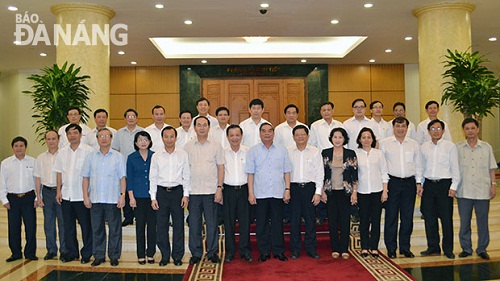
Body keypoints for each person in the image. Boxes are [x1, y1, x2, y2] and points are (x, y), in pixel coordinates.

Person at [246, 123, 292, 262]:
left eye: (269, 131)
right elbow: (250, 174)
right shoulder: (253, 151)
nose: (267, 134)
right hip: (260, 193)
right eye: (264, 131)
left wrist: (287, 189)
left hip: (278, 192)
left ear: (273, 133)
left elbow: (287, 171)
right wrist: (250, 193)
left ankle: (279, 251)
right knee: (261, 224)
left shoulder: (282, 150)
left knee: (278, 223)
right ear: (260, 134)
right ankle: (264, 252)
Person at [82, 128, 126, 267]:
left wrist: (122, 195)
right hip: (95, 199)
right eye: (101, 136)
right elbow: (85, 178)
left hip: (112, 198)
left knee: (115, 229)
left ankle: (114, 256)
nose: (104, 138)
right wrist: (85, 196)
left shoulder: (118, 156)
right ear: (97, 139)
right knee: (97, 229)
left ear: (111, 138)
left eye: (107, 136)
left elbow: (122, 178)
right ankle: (99, 255)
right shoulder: (91, 156)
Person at [379, 117, 422, 259]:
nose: (400, 129)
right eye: (398, 126)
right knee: (391, 217)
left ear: (407, 128)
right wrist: (384, 186)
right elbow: (382, 167)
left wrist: (418, 183)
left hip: (409, 184)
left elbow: (418, 165)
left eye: (403, 126)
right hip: (392, 183)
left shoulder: (414, 144)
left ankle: (405, 247)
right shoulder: (385, 144)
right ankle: (391, 248)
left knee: (407, 217)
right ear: (393, 127)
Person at [184, 116, 225, 264]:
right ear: (194, 128)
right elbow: (184, 170)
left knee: (212, 223)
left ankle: (212, 252)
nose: (202, 127)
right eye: (199, 125)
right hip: (193, 191)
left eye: (204, 125)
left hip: (211, 191)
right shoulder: (187, 146)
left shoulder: (216, 145)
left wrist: (219, 188)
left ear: (209, 127)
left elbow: (221, 167)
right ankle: (196, 252)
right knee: (194, 224)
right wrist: (185, 192)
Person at [456, 118, 497, 260]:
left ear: (478, 129)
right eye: (467, 128)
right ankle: (466, 248)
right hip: (464, 191)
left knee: (482, 222)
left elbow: (492, 168)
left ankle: (482, 249)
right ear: (464, 131)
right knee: (464, 222)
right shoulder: (458, 148)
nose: (470, 131)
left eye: (473, 128)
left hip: (482, 190)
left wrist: (493, 185)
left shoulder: (486, 147)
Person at [150, 126, 190, 266]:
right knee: (161, 226)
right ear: (162, 138)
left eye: (171, 136)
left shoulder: (183, 154)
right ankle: (165, 256)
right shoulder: (156, 155)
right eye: (166, 136)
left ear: (175, 137)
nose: (169, 139)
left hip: (177, 193)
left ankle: (177, 256)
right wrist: (153, 198)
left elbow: (186, 176)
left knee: (179, 225)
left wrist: (186, 195)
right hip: (161, 193)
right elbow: (153, 177)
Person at [420, 119, 460, 259]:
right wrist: (420, 183)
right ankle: (433, 247)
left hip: (445, 185)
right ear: (428, 131)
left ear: (443, 131)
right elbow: (421, 167)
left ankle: (448, 249)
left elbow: (455, 168)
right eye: (433, 129)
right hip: (429, 185)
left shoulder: (450, 146)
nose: (435, 131)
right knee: (429, 218)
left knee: (446, 218)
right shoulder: (424, 146)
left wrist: (454, 186)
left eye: (438, 129)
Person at [54, 124, 94, 264]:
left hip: (82, 196)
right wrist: (58, 191)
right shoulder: (62, 152)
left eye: (75, 133)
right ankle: (72, 253)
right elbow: (59, 172)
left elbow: (92, 174)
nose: (72, 135)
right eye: (69, 133)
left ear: (80, 134)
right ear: (66, 136)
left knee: (86, 226)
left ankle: (87, 253)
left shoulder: (89, 151)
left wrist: (88, 194)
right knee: (68, 226)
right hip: (66, 195)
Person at [287, 125, 324, 259]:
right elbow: (284, 173)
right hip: (293, 188)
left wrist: (318, 192)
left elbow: (320, 173)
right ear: (293, 137)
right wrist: (286, 190)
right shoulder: (288, 151)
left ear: (308, 136)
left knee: (310, 220)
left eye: (303, 134)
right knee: (294, 220)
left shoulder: (315, 151)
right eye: (297, 135)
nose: (300, 137)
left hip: (310, 188)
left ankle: (310, 248)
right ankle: (295, 249)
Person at [321, 127, 358, 260]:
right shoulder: (325, 153)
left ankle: (344, 248)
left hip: (345, 192)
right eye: (335, 137)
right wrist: (322, 192)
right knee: (332, 221)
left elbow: (354, 174)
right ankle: (335, 248)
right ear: (331, 138)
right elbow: (321, 174)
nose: (337, 139)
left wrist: (354, 192)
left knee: (344, 221)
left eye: (340, 137)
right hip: (330, 192)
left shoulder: (350, 153)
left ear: (344, 139)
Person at [0, 136, 38, 262]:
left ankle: (30, 253)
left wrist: (37, 197)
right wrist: (4, 200)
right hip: (13, 199)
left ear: (26, 147)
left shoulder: (33, 162)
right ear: (13, 148)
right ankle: (15, 253)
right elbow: (2, 182)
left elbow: (37, 181)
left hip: (28, 197)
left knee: (31, 227)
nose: (19, 148)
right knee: (14, 227)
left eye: (21, 146)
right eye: (16, 146)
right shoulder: (6, 163)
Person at [354, 127, 388, 259]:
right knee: (363, 221)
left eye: (369, 137)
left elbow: (384, 173)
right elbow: (355, 175)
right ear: (359, 139)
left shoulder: (378, 153)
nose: (366, 140)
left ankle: (374, 247)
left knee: (375, 220)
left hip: (377, 191)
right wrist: (355, 192)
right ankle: (364, 247)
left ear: (373, 139)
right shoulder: (355, 154)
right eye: (364, 137)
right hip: (362, 191)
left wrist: (385, 191)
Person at [309, 101, 344, 225]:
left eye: (328, 109)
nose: (326, 112)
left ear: (333, 111)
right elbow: (312, 143)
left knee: (337, 185)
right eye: (323, 110)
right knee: (323, 184)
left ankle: (338, 214)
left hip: (338, 158)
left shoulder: (340, 124)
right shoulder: (315, 125)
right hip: (322, 159)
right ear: (320, 112)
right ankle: (322, 214)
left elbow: (344, 141)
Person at [34, 130, 67, 260]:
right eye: (48, 139)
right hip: (46, 192)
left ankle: (64, 250)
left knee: (63, 222)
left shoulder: (64, 155)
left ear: (58, 140)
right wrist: (38, 196)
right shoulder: (41, 157)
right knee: (48, 222)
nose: (51, 141)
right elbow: (37, 178)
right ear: (45, 141)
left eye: (54, 139)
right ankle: (51, 250)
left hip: (61, 192)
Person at [222, 124, 253, 262]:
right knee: (228, 223)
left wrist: (251, 192)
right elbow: (220, 173)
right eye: (231, 135)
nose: (234, 138)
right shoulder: (222, 152)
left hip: (244, 190)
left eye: (237, 135)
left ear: (241, 136)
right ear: (227, 137)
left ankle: (245, 250)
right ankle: (230, 251)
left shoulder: (248, 152)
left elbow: (252, 173)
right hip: (228, 190)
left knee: (244, 222)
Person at [126, 131, 157, 265]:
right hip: (137, 197)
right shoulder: (131, 157)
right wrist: (131, 198)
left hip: (152, 197)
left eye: (146, 139)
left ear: (150, 141)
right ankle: (140, 254)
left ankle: (150, 253)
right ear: (135, 143)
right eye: (140, 140)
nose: (143, 142)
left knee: (152, 226)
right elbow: (130, 179)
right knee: (140, 226)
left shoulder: (155, 156)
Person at [112, 108, 144, 227]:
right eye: (128, 116)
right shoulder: (119, 133)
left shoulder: (142, 131)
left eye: (133, 116)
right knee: (125, 191)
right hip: (124, 166)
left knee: (137, 191)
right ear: (125, 118)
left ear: (137, 118)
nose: (131, 118)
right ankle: (128, 216)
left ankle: (138, 215)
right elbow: (115, 150)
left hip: (139, 166)